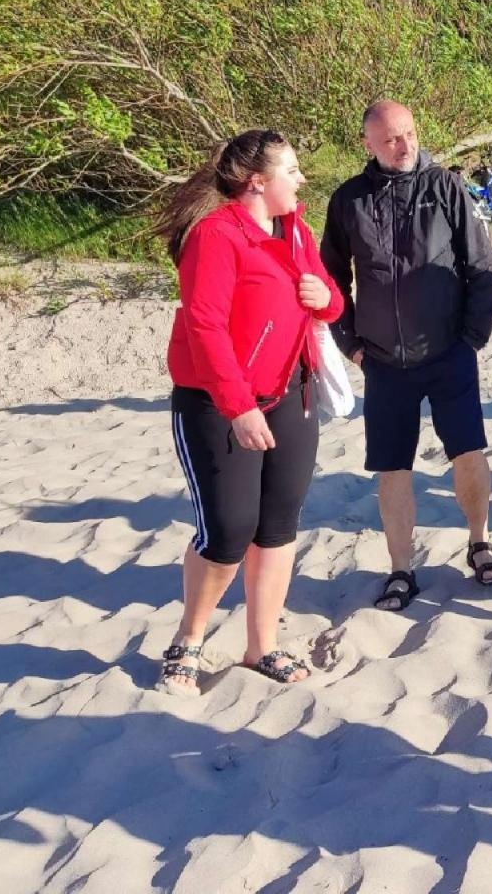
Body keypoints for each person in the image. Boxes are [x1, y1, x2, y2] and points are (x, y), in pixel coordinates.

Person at [158, 129, 345, 693]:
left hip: (293, 393)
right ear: (257, 182)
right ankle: (188, 641)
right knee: (229, 532)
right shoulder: (216, 235)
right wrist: (238, 406)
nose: (302, 178)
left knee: (279, 524)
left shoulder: (295, 230)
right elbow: (205, 325)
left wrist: (326, 299)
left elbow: (331, 298)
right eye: (292, 170)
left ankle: (261, 645)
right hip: (218, 403)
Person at [321, 100, 492, 614]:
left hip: (449, 352)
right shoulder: (348, 201)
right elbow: (330, 278)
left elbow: (482, 264)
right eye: (391, 139)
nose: (404, 146)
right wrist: (349, 341)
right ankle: (401, 569)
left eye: (409, 134)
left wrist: (472, 336)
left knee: (468, 452)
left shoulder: (445, 188)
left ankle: (479, 541)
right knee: (392, 468)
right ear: (368, 144)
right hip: (382, 361)